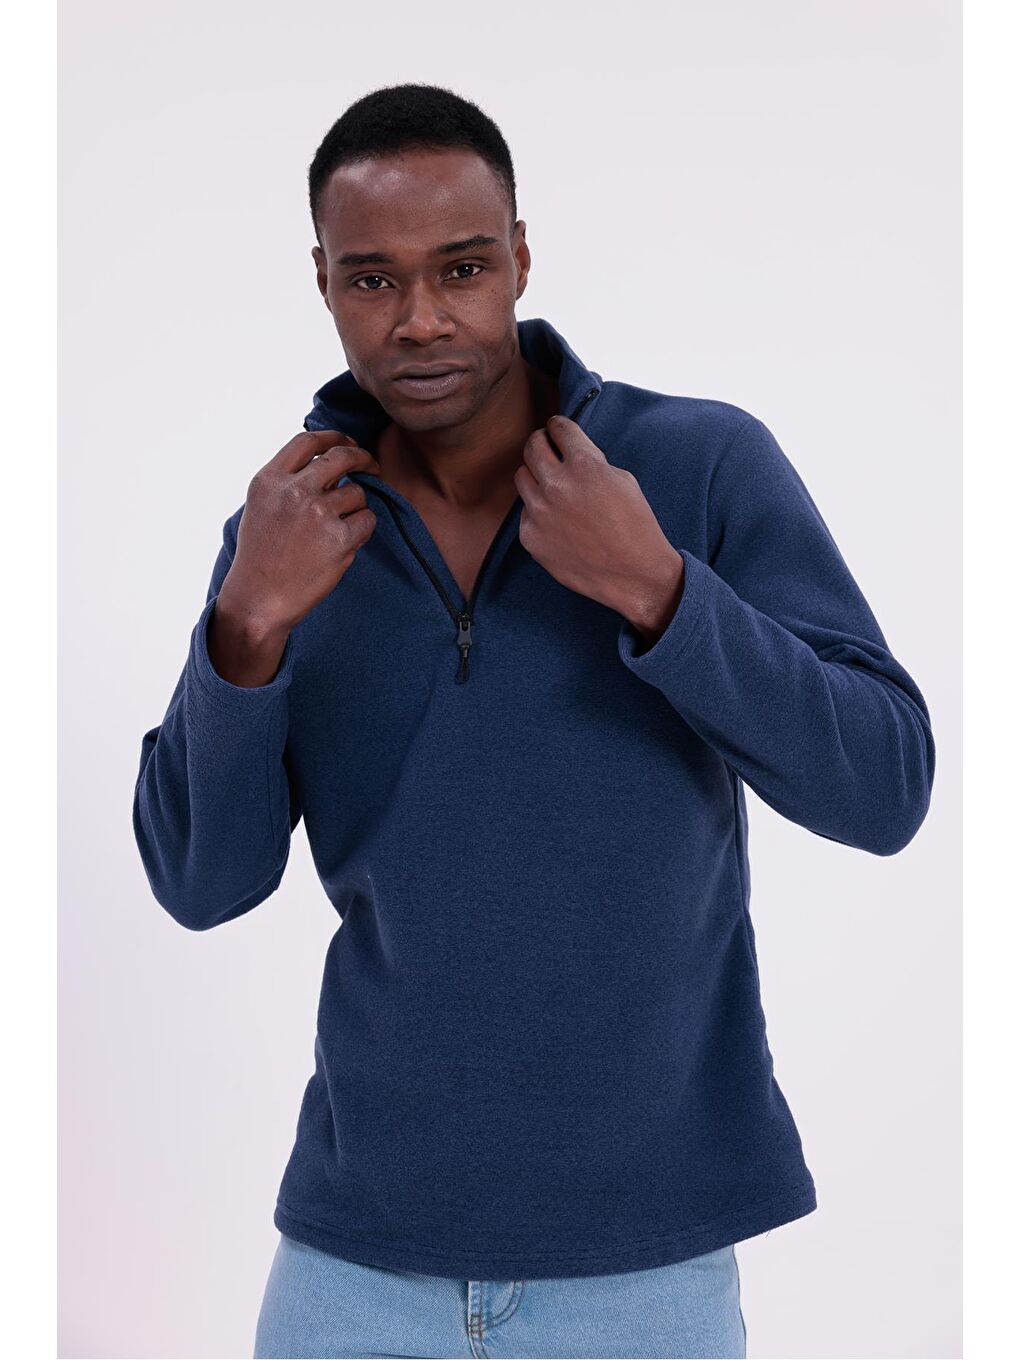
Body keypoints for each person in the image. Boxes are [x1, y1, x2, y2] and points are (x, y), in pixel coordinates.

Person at [132, 83, 936, 1360]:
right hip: (353, 1265)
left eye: (460, 267)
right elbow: (201, 881)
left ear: (518, 256)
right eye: (373, 279)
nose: (421, 318)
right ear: (324, 282)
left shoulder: (698, 466)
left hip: (646, 1270)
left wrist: (659, 589)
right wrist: (248, 624)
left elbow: (884, 787)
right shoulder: (288, 528)